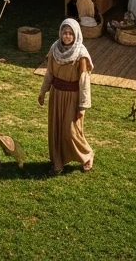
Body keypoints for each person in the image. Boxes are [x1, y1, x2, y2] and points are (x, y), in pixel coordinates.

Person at [38, 18, 94, 174]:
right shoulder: (54, 49)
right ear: (60, 33)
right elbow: (49, 73)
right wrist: (43, 91)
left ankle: (87, 155)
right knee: (56, 130)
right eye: (65, 32)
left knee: (70, 131)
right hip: (56, 95)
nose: (67, 36)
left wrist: (83, 106)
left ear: (75, 35)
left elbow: (84, 81)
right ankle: (58, 163)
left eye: (70, 33)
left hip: (72, 97)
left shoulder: (80, 54)